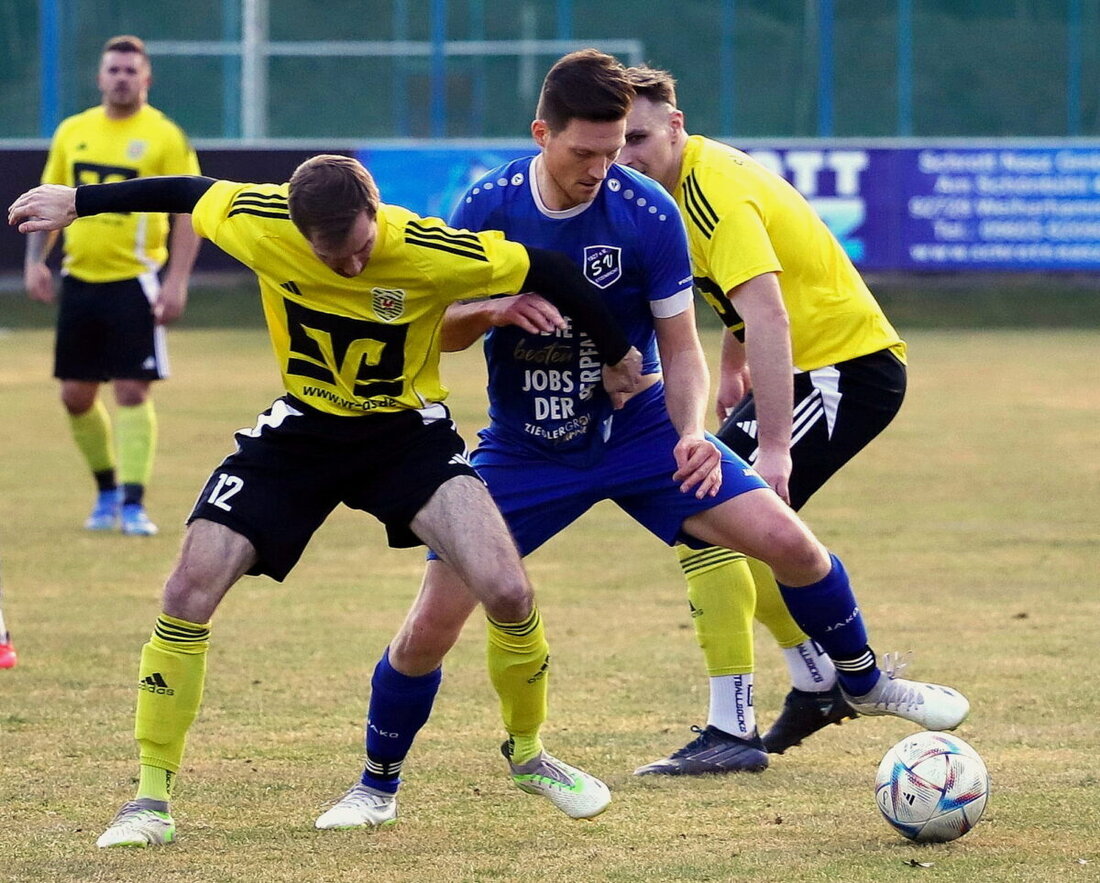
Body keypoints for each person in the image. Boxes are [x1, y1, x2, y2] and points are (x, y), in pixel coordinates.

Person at [313, 49, 968, 830]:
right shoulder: (486, 206)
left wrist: (691, 430)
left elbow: (684, 345)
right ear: (542, 134)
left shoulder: (648, 213)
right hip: (524, 448)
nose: (602, 167)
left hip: (642, 432)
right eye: (584, 151)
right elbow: (437, 328)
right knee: (431, 624)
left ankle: (859, 679)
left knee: (790, 544)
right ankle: (376, 785)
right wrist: (492, 310)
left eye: (617, 146)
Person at [8, 154, 643, 846]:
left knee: (508, 589)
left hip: (404, 430)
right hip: (303, 428)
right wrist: (80, 201)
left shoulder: (427, 248)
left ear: (376, 213)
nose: (348, 268)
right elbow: (191, 191)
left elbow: (550, 270)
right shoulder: (260, 222)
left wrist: (615, 353)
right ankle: (149, 799)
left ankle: (529, 755)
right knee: (188, 588)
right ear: (297, 227)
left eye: (361, 251)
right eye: (329, 256)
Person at [617, 65, 913, 771]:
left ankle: (738, 728)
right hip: (809, 366)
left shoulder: (712, 190)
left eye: (639, 137)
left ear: (676, 126)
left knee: (708, 514)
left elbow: (771, 311)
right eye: (615, 141)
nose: (626, 155)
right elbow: (739, 297)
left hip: (844, 369)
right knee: (711, 517)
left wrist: (774, 446)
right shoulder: (676, 191)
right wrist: (730, 365)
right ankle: (815, 682)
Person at [23, 35, 202, 536]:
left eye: (130, 70)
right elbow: (49, 198)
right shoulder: (73, 131)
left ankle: (133, 503)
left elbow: (190, 210)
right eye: (113, 70)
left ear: (146, 79)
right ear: (100, 77)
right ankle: (104, 492)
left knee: (130, 389)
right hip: (80, 279)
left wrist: (177, 280)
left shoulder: (165, 136)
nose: (121, 77)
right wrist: (37, 260)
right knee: (76, 396)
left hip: (136, 281)